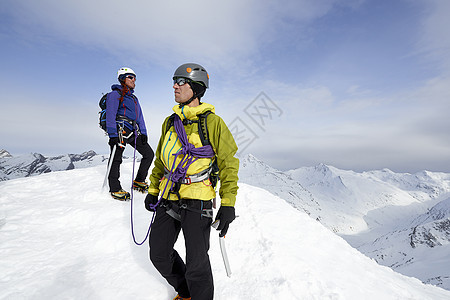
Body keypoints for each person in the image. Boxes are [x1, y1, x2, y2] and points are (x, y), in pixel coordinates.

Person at [144, 63, 239, 300]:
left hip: (198, 200)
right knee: (159, 253)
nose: (175, 86)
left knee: (197, 263)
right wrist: (153, 189)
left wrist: (228, 203)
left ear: (196, 88)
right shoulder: (170, 122)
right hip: (169, 197)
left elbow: (229, 163)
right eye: (174, 81)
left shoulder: (213, 123)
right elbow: (160, 161)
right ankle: (186, 293)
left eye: (181, 82)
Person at [105, 67, 154, 200]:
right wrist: (112, 135)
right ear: (122, 78)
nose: (134, 80)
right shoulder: (115, 95)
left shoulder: (134, 98)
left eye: (135, 78)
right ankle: (115, 188)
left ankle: (139, 181)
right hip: (120, 129)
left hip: (132, 130)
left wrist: (143, 133)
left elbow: (140, 116)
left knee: (149, 154)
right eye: (131, 77)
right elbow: (110, 115)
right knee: (116, 158)